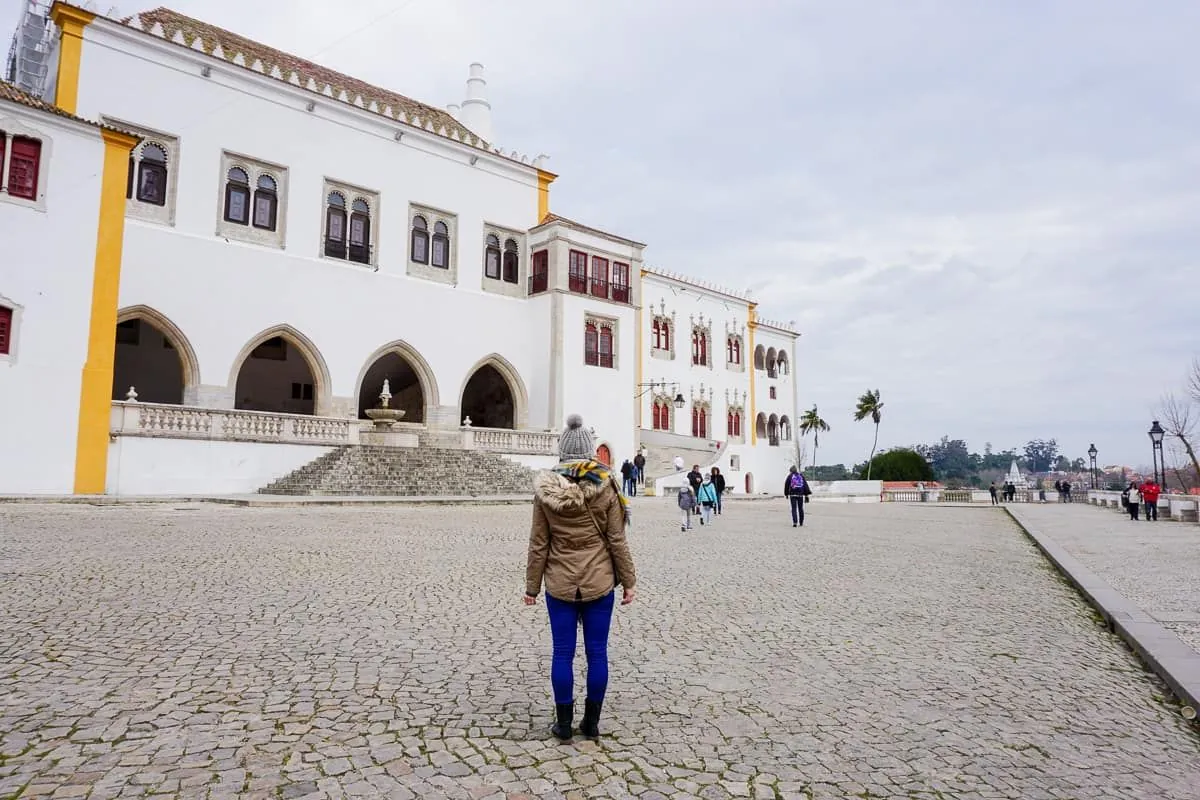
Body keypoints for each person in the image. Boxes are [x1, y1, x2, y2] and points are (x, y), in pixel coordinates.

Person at [524, 414, 637, 742]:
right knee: (597, 653)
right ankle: (591, 722)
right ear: (589, 450)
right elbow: (617, 540)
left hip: (559, 583)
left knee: (562, 653)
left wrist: (531, 587)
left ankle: (563, 725)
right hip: (599, 582)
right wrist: (629, 582)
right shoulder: (607, 486)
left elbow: (539, 543)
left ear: (562, 449)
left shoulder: (545, 489)